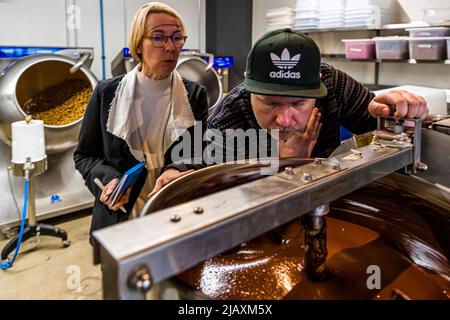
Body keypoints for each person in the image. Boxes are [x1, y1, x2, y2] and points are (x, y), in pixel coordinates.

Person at [74, 2, 208, 235]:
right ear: (138, 44)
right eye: (158, 37)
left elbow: (198, 151)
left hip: (173, 210)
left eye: (177, 38)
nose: (170, 47)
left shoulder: (194, 95)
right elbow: (85, 155)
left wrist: (177, 169)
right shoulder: (107, 94)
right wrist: (108, 180)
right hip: (121, 213)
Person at [207, 28, 428, 160]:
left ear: (319, 88)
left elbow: (389, 135)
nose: (284, 120)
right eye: (271, 103)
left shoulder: (334, 84)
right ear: (250, 90)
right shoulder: (227, 120)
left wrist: (393, 115)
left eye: (299, 103)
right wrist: (285, 164)